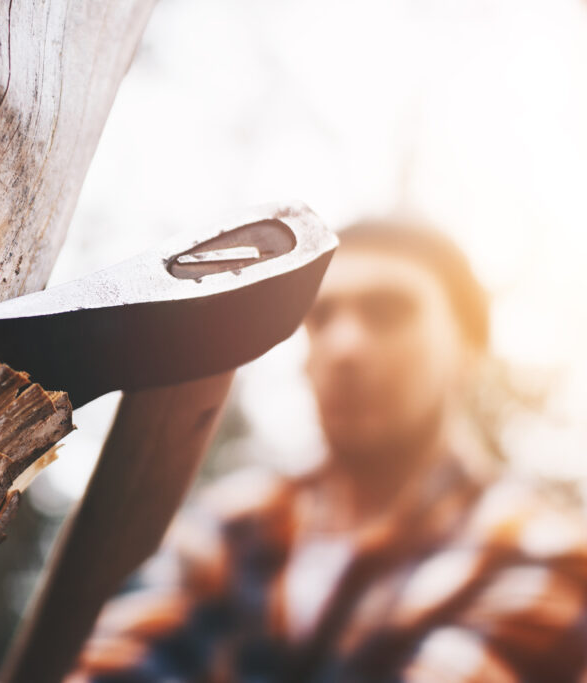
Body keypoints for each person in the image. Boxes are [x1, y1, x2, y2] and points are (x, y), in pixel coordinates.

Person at [67, 218, 587, 682]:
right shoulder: (234, 524)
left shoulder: (540, 554)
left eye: (388, 312)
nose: (344, 346)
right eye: (321, 319)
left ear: (469, 349)